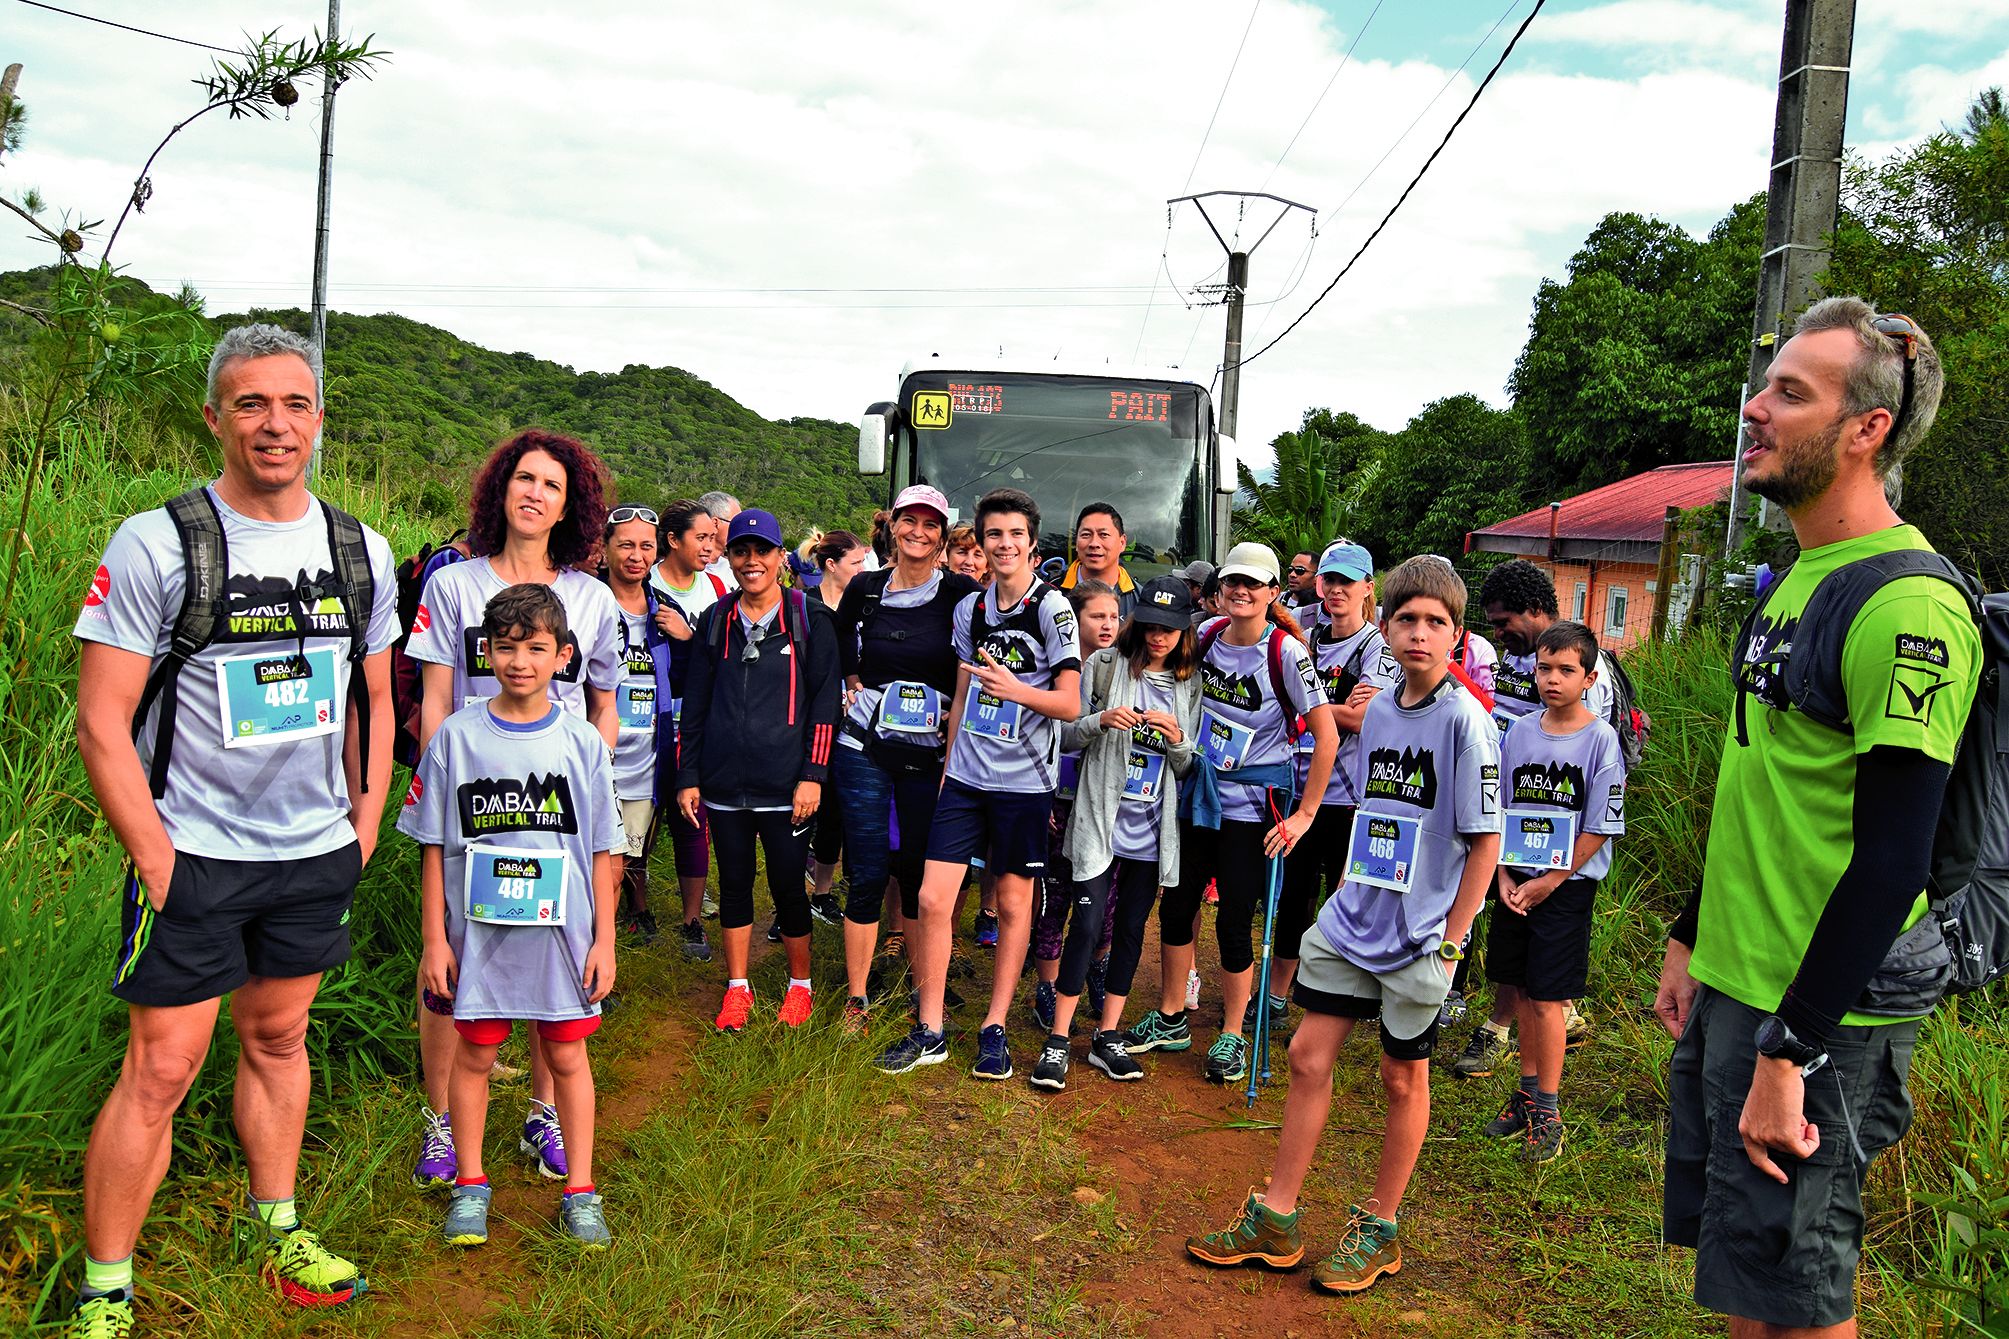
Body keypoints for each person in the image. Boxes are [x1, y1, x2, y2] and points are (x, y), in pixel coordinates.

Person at [67, 323, 398, 1333]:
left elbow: (374, 700)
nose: (274, 424)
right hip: (193, 853)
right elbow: (101, 718)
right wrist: (157, 859)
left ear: (319, 421)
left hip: (311, 853)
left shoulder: (359, 549)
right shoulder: (156, 541)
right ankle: (106, 1289)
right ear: (215, 417)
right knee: (161, 1067)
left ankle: (279, 1227)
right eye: (251, 403)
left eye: (294, 404)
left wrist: (365, 821)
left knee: (279, 1032)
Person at [1657, 298, 1973, 1335]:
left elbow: (1890, 860)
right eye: (1765, 384)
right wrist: (1691, 932)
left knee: (1801, 1297)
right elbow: (1760, 780)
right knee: (1748, 1279)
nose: (1754, 407)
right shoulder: (1794, 574)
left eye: (1791, 392)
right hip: (1739, 980)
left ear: (1863, 430)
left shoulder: (1905, 607)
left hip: (1818, 1015)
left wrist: (1789, 1050)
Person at [1187, 554, 1501, 1295]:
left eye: (1435, 622)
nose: (1418, 634)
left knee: (1400, 1076)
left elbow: (1485, 842)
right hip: (1355, 918)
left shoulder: (1467, 722)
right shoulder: (1381, 708)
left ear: (1455, 635)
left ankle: (1380, 1226)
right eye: (1406, 620)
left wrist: (1451, 943)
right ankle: (1276, 1216)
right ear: (1385, 628)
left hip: (1421, 934)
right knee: (1305, 1055)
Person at [405, 428, 621, 1190]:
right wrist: (442, 802)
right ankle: (440, 1126)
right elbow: (433, 702)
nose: (534, 492)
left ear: (571, 506)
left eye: (551, 485)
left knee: (549, 959)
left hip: (554, 815)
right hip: (473, 811)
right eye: (523, 478)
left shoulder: (592, 599)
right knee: (453, 967)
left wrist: (585, 793)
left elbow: (606, 707)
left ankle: (542, 1112)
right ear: (501, 490)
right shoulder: (450, 585)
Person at [875, 487, 1082, 1077]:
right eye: (994, 534)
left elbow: (1069, 703)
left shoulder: (1053, 609)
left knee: (1014, 904)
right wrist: (947, 765)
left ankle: (994, 1026)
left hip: (1023, 782)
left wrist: (1017, 690)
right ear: (980, 543)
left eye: (1015, 534)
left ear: (1032, 543)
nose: (1004, 544)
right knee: (932, 898)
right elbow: (965, 689)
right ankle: (931, 1027)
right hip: (965, 776)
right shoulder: (970, 609)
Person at [1138, 542, 1336, 1084]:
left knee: (1232, 922)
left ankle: (1232, 1035)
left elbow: (1327, 736)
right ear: (1220, 590)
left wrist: (1304, 816)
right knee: (1177, 908)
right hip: (1199, 796)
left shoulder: (1287, 654)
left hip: (1253, 810)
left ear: (1274, 593)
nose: (1241, 592)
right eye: (1232, 583)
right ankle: (1174, 1015)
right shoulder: (1203, 637)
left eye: (1254, 584)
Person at [1030, 577, 1204, 1090]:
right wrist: (1100, 720)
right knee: (1084, 928)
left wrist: (1176, 741)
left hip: (1152, 833)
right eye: (1150, 626)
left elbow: (1187, 761)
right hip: (1099, 822)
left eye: (1170, 630)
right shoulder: (1102, 666)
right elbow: (1062, 732)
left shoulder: (1187, 682)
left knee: (1130, 931)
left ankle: (1107, 1036)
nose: (1158, 638)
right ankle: (1059, 1038)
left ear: (1184, 632)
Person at [1448, 558, 1615, 1075]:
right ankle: (1535, 1022)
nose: (1499, 634)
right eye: (1545, 670)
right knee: (1519, 955)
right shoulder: (1518, 665)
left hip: (1563, 855)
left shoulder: (1593, 682)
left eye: (1504, 623)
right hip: (1514, 843)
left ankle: (1522, 1038)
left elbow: (1591, 778)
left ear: (1537, 610)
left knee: (1545, 971)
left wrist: (1557, 870)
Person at [676, 509, 841, 1031]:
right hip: (725, 784)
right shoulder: (716, 619)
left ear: (780, 558)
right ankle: (737, 988)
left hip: (787, 784)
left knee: (790, 885)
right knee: (735, 884)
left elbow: (824, 704)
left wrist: (813, 775)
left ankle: (799, 987)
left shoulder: (809, 618)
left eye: (762, 551)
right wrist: (689, 774)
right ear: (730, 556)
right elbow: (696, 703)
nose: (752, 562)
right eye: (741, 551)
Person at [829, 486, 981, 1029]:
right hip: (864, 745)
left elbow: (977, 657)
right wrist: (852, 684)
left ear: (943, 535)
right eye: (909, 521)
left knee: (921, 871)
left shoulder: (961, 593)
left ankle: (924, 993)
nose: (919, 531)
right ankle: (857, 996)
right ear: (893, 526)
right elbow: (840, 639)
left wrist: (956, 718)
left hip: (928, 751)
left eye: (930, 524)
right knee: (868, 870)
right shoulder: (866, 588)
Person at [1481, 620, 1624, 1164]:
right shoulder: (1517, 732)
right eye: (1544, 668)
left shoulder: (1599, 739)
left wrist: (1552, 881)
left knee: (1548, 998)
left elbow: (1600, 823)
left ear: (1589, 677)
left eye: (1567, 670)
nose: (1553, 679)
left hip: (1564, 889)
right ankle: (1524, 1092)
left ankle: (1548, 1108)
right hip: (1515, 878)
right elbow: (1498, 808)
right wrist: (1502, 876)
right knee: (1517, 987)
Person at [1272, 541, 1400, 1016]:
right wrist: (1336, 708)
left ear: (1368, 586)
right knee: (1293, 899)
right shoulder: (1303, 631)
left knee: (1345, 899)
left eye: (1349, 581)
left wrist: (1312, 707)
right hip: (1297, 786)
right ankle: (1277, 996)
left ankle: (1330, 998)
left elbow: (1366, 719)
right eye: (1330, 580)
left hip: (1350, 794)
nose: (1337, 590)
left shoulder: (1377, 648)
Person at [1029, 581, 1123, 1035]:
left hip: (1104, 805)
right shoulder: (1056, 669)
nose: (1107, 625)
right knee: (1055, 898)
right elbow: (1054, 734)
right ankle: (1046, 988)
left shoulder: (1125, 669)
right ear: (1074, 619)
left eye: (1114, 616)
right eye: (1096, 616)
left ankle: (1097, 973)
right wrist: (1097, 721)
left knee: (1105, 904)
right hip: (1058, 801)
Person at [601, 505, 682, 949]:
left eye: (645, 546)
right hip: (597, 753)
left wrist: (685, 640)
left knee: (633, 851)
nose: (636, 555)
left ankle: (629, 918)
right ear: (605, 548)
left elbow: (688, 679)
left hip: (647, 757)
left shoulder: (664, 611)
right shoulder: (584, 601)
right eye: (626, 544)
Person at [647, 499, 726, 948]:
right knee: (640, 812)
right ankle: (635, 909)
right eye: (700, 537)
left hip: (697, 718)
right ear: (673, 540)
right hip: (646, 717)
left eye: (713, 538)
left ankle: (692, 919)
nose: (710, 546)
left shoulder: (714, 586)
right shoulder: (645, 583)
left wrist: (689, 636)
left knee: (693, 815)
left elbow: (723, 657)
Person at [800, 529, 869, 926]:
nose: (863, 570)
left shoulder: (863, 607)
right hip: (808, 722)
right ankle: (789, 898)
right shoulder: (803, 605)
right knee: (801, 811)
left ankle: (822, 892)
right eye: (856, 562)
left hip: (852, 725)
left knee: (835, 814)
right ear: (831, 565)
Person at [1058, 503, 1138, 617]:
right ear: (1076, 542)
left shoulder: (1140, 600)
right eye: (1086, 535)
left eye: (1103, 534)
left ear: (1122, 542)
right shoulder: (1050, 591)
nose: (1094, 543)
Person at [697, 490, 742, 592]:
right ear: (715, 524)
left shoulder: (733, 568)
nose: (741, 530)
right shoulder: (688, 569)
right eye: (736, 523)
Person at [944, 520, 989, 585]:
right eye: (962, 552)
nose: (969, 562)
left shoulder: (995, 594)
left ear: (987, 566)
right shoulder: (929, 593)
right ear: (946, 557)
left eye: (977, 555)